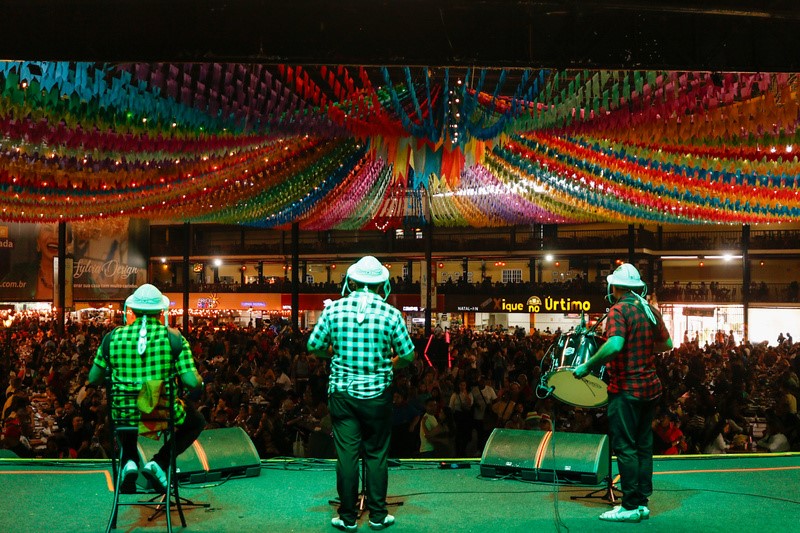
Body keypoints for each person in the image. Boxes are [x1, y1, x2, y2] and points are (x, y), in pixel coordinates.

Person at [307, 256, 415, 532]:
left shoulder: (334, 310)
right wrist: (391, 363)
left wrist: (332, 353)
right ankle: (378, 516)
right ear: (381, 285)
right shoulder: (391, 314)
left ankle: (348, 517)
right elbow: (408, 354)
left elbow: (314, 345)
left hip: (343, 394)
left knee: (347, 456)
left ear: (351, 281)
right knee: (377, 454)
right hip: (378, 394)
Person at [573, 263, 672, 523]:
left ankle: (628, 506)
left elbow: (615, 344)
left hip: (627, 389)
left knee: (626, 447)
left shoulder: (619, 310)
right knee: (643, 446)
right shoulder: (649, 309)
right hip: (650, 387)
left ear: (614, 287)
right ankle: (641, 503)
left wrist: (587, 365)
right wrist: (641, 353)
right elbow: (668, 344)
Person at [87, 284, 205, 494]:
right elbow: (190, 382)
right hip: (160, 413)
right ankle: (160, 462)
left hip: (123, 415)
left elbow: (94, 378)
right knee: (196, 421)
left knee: (127, 410)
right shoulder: (174, 338)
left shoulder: (112, 338)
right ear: (161, 312)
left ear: (131, 310)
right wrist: (199, 379)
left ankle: (129, 461)